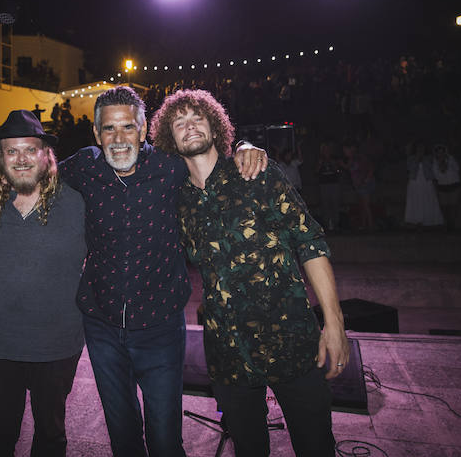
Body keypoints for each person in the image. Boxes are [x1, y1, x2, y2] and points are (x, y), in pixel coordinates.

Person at [0, 86, 267, 457]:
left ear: (143, 127)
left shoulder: (150, 172)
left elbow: (205, 157)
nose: (118, 137)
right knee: (102, 435)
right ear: (96, 133)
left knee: (152, 439)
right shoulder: (36, 179)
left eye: (127, 126)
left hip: (138, 330)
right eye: (108, 128)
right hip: (69, 334)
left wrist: (244, 147)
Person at [149, 89, 348, 457]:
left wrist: (334, 325)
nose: (190, 126)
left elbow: (310, 242)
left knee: (316, 447)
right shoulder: (176, 201)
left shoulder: (256, 173)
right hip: (229, 355)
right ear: (169, 138)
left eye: (197, 118)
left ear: (215, 126)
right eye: (179, 122)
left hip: (292, 341)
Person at [0, 110, 87, 457]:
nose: (21, 159)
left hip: (57, 346)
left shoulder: (77, 199)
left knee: (51, 438)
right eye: (12, 151)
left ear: (46, 154)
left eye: (30, 149)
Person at [403, 140, 444, 229]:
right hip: (415, 182)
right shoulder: (410, 158)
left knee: (427, 200)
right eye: (418, 147)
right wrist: (417, 158)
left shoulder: (429, 158)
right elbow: (410, 169)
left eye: (422, 147)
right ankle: (416, 221)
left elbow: (433, 169)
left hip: (427, 182)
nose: (420, 149)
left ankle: (428, 221)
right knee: (416, 201)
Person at [432, 143, 461, 231]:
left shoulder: (451, 159)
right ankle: (447, 223)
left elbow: (457, 169)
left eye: (442, 152)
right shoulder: (434, 163)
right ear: (436, 153)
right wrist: (441, 165)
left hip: (454, 185)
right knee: (444, 207)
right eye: (439, 152)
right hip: (442, 186)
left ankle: (452, 225)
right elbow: (437, 175)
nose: (441, 154)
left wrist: (448, 161)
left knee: (453, 206)